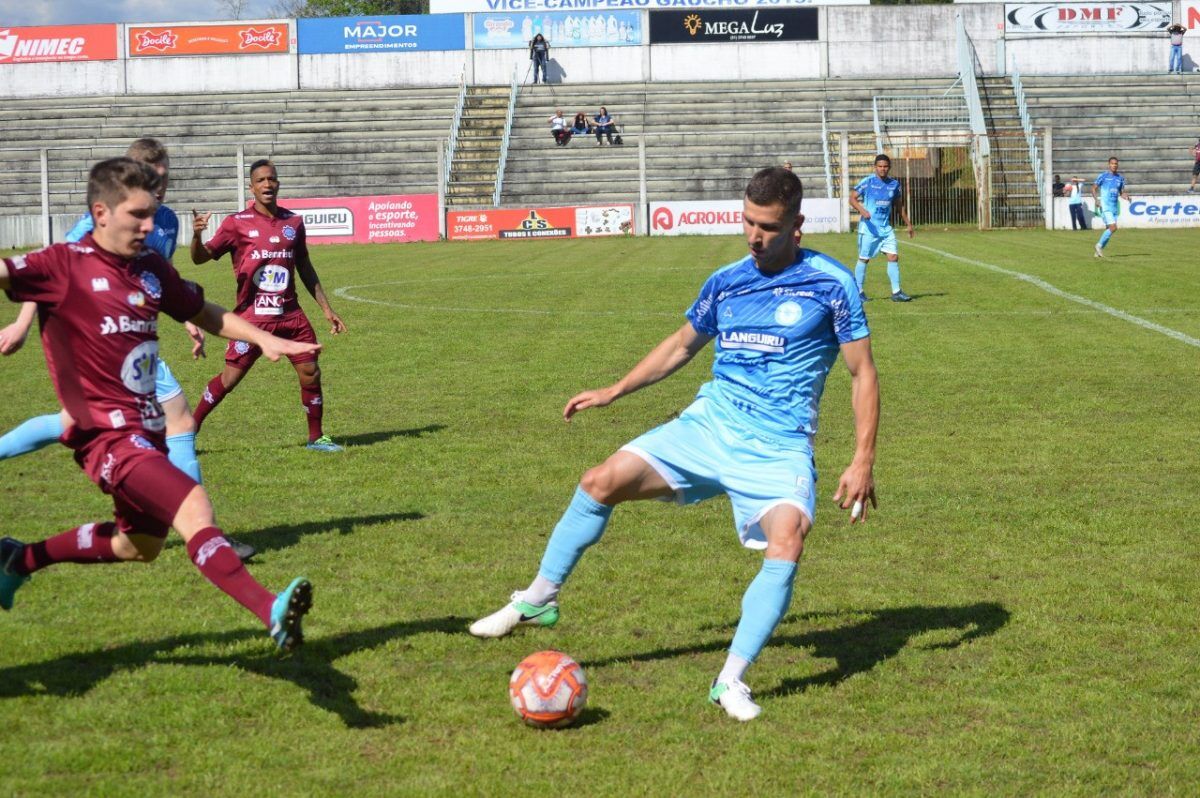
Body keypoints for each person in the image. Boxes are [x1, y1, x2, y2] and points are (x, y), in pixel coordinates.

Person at [469, 167, 880, 723]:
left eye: (767, 227)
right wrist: (615, 389)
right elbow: (682, 346)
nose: (754, 237)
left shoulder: (833, 284)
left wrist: (862, 458)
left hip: (778, 447)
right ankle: (538, 597)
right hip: (709, 426)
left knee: (788, 539)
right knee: (600, 481)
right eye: (747, 222)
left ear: (797, 225)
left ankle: (729, 680)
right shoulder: (727, 280)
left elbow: (862, 373)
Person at [0, 157, 313, 651]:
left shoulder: (148, 267)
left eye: (152, 215)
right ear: (101, 212)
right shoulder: (62, 263)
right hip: (103, 435)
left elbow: (203, 310)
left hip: (145, 429)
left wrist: (265, 339)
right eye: (138, 216)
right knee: (194, 505)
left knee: (138, 545)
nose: (150, 226)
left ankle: (19, 560)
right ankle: (270, 609)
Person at [0, 138, 257, 562]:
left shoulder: (167, 221)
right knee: (177, 417)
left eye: (165, 180)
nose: (161, 190)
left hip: (134, 334)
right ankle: (206, 529)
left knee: (73, 421)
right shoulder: (96, 225)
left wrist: (188, 318)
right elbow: (52, 268)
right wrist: (23, 323)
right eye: (154, 182)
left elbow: (160, 278)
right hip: (100, 337)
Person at [190, 159, 347, 451]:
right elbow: (199, 258)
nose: (267, 185)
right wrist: (197, 235)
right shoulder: (236, 224)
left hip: (291, 316)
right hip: (251, 319)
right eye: (261, 180)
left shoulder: (293, 223)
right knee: (229, 379)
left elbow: (305, 267)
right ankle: (188, 431)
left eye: (271, 180)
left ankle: (316, 438)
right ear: (252, 187)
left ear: (278, 184)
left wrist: (327, 309)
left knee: (311, 371)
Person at [849, 154, 915, 302]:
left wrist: (908, 224)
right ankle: (858, 292)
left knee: (893, 256)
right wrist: (862, 210)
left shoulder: (894, 184)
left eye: (885, 166)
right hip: (869, 229)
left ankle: (896, 292)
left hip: (886, 229)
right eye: (880, 166)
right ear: (875, 167)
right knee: (864, 259)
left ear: (889, 167)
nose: (882, 169)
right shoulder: (867, 182)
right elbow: (852, 198)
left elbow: (899, 205)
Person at [1091, 156, 1129, 258]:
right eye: (1112, 163)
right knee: (1113, 227)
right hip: (1105, 206)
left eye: (1116, 164)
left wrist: (1125, 196)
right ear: (1109, 165)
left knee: (1109, 229)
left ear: (1118, 165)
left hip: (1114, 208)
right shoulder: (1103, 176)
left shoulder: (1120, 178)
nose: (1114, 165)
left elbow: (1121, 192)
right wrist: (1096, 200)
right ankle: (1098, 246)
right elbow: (1093, 188)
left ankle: (1097, 252)